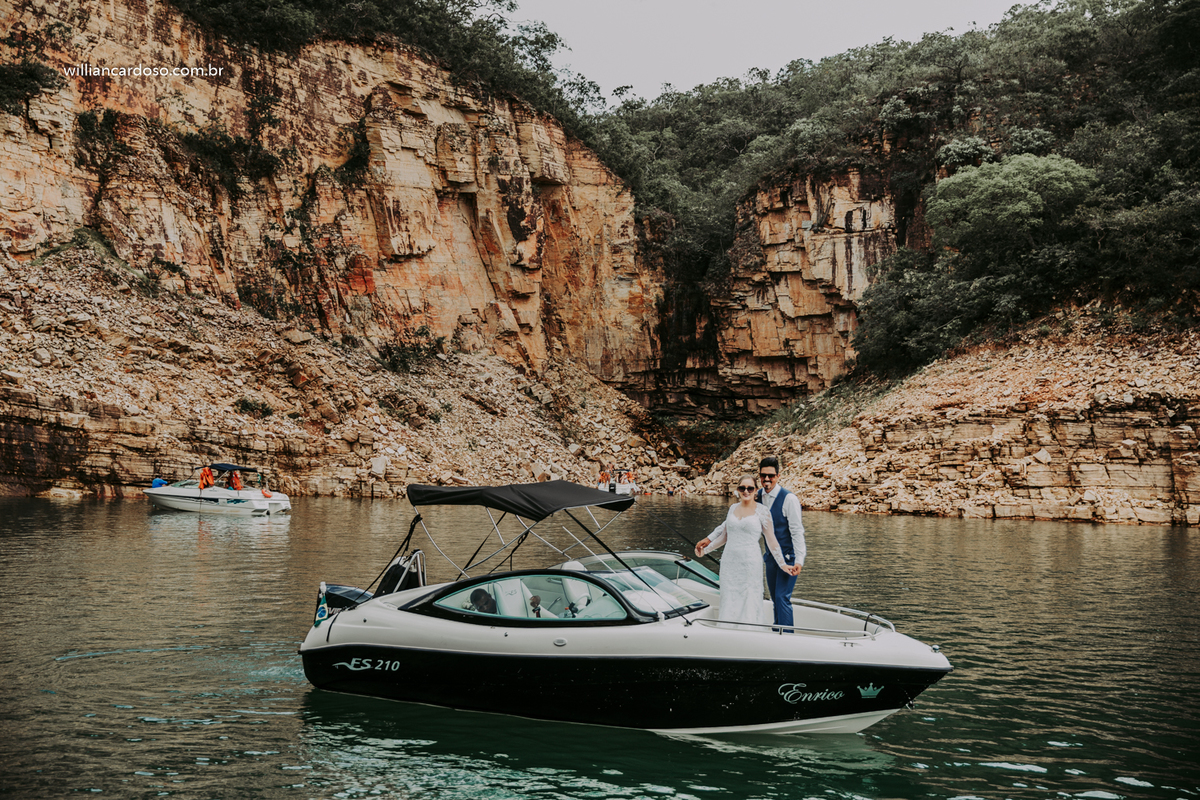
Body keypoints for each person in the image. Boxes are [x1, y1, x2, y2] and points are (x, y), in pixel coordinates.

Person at [694, 475, 799, 625]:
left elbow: (771, 540)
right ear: (737, 490)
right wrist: (705, 550)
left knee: (749, 599)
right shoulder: (732, 508)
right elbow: (724, 536)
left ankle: (750, 634)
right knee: (728, 597)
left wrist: (783, 564)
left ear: (756, 490)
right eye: (742, 488)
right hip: (729, 563)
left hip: (750, 564)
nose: (746, 491)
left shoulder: (763, 511)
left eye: (750, 488)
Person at [755, 456, 806, 629]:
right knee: (774, 597)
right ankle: (777, 631)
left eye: (771, 475)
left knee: (782, 597)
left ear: (778, 476)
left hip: (788, 558)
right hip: (770, 558)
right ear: (759, 476)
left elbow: (797, 531)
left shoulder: (789, 499)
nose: (767, 479)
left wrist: (799, 560)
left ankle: (787, 638)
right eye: (763, 475)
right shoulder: (758, 496)